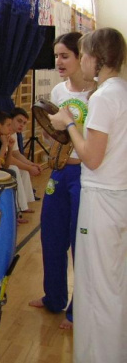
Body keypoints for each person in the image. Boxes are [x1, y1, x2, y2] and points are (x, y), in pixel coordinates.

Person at [49, 27, 127, 362]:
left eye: (83, 54)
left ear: (95, 57)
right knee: (112, 282)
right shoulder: (120, 90)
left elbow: (91, 158)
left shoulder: (104, 97)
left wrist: (68, 123)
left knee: (96, 285)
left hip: (102, 198)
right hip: (117, 195)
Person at [28, 32, 94, 330]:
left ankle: (78, 310)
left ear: (82, 57)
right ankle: (54, 297)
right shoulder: (57, 93)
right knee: (52, 237)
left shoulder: (97, 94)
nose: (58, 61)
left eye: (65, 56)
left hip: (86, 175)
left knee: (82, 244)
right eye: (56, 56)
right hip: (59, 173)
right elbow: (50, 133)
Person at [9, 107, 43, 208]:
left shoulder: (14, 134)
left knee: (24, 170)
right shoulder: (4, 131)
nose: (21, 125)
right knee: (15, 169)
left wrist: (31, 164)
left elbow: (17, 154)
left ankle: (24, 205)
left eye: (24, 123)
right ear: (11, 119)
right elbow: (9, 159)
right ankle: (17, 208)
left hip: (4, 161)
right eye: (19, 121)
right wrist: (28, 167)